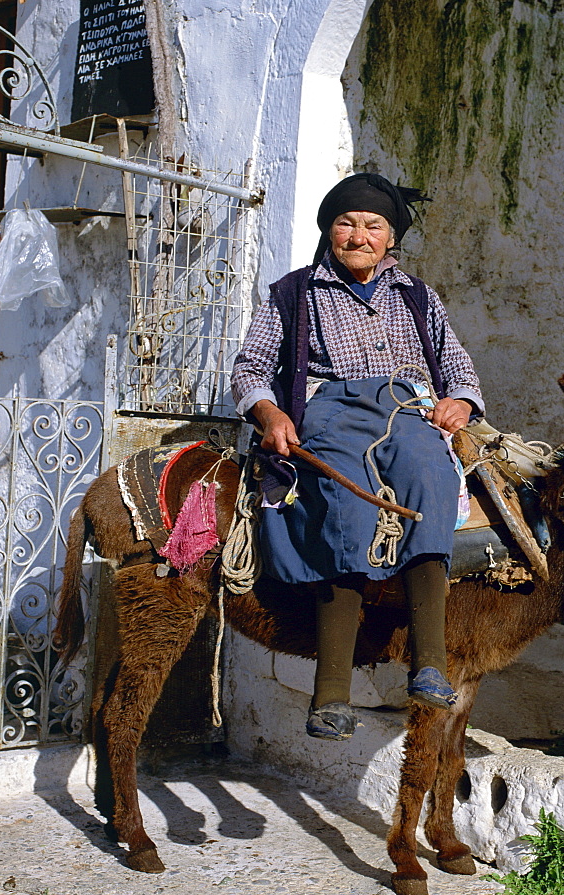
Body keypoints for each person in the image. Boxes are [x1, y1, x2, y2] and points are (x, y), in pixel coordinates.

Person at [231, 173, 483, 740]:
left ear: (390, 238)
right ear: (329, 230)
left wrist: (461, 402)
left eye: (373, 226)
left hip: (408, 406)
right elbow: (249, 368)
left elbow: (457, 364)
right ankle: (332, 693)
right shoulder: (294, 292)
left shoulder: (417, 295)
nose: (358, 236)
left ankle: (429, 664)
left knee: (430, 480)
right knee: (346, 503)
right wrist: (271, 415)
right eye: (347, 223)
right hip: (331, 409)